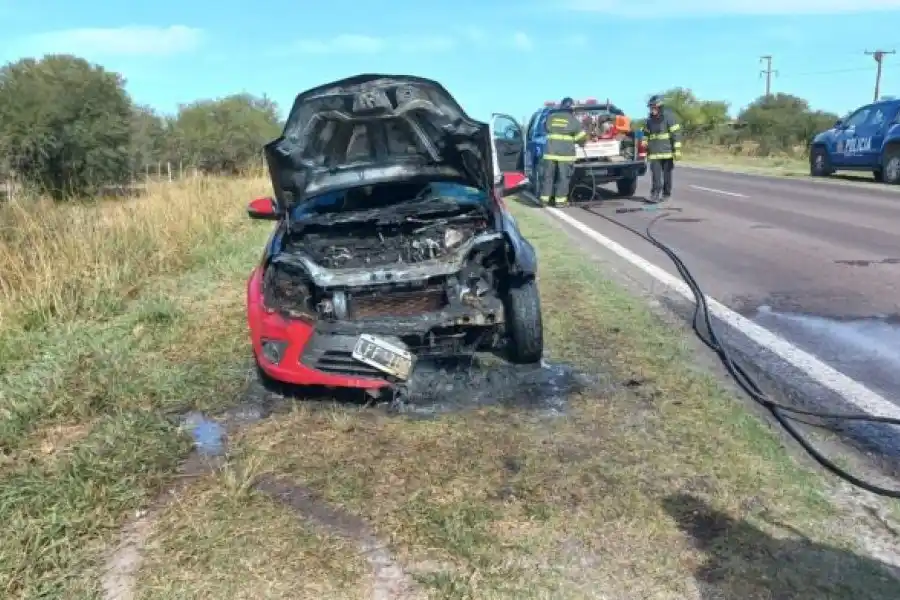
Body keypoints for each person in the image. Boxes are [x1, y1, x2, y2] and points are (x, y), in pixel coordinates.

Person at [538, 96, 587, 206]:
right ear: (572, 109)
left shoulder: (551, 117)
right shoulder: (574, 121)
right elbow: (581, 138)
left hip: (549, 153)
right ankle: (560, 201)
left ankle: (544, 200)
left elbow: (545, 128)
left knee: (547, 176)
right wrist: (582, 142)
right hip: (565, 155)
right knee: (563, 177)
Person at [643, 95, 682, 202]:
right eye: (650, 107)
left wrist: (677, 150)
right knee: (655, 176)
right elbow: (646, 133)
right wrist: (644, 141)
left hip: (667, 152)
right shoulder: (649, 120)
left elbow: (676, 134)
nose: (652, 109)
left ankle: (666, 194)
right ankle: (655, 194)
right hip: (654, 153)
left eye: (653, 107)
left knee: (667, 175)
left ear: (659, 107)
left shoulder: (669, 117)